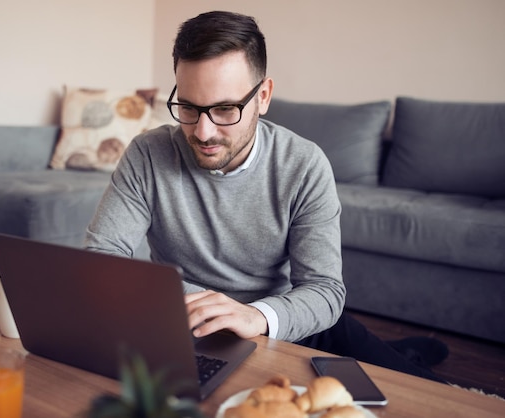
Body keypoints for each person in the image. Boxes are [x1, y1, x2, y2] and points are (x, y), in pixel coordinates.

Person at [85, 10, 447, 381]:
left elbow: (324, 292)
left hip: (281, 322)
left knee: (427, 391)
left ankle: (405, 355)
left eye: (225, 109)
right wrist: (210, 309)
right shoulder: (148, 153)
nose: (203, 131)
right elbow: (100, 258)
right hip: (184, 323)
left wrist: (254, 316)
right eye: (189, 108)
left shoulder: (305, 165)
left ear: (263, 96)